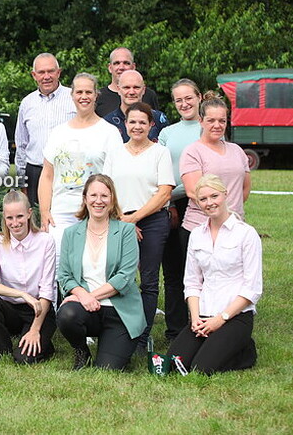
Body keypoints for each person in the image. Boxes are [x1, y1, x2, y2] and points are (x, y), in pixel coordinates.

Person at [167, 174, 262, 374]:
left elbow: (252, 289)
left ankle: (245, 350)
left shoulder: (246, 234)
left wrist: (221, 319)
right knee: (175, 364)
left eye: (214, 196)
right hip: (203, 314)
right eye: (203, 199)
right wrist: (195, 318)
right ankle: (212, 344)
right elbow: (192, 282)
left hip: (234, 316)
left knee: (201, 369)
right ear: (197, 202)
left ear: (225, 195)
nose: (209, 203)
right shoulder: (196, 235)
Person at [104, 102, 174, 349]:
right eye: (132, 122)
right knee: (119, 278)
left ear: (151, 125)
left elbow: (164, 192)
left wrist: (135, 219)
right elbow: (107, 190)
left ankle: (141, 337)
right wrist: (124, 220)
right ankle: (118, 330)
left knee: (149, 281)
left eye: (142, 122)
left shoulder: (160, 152)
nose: (137, 126)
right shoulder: (115, 153)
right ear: (125, 124)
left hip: (153, 221)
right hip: (119, 219)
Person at [56, 174, 145, 370]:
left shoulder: (126, 231)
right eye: (93, 195)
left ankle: (116, 344)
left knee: (107, 368)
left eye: (104, 195)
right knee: (67, 314)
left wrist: (89, 296)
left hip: (119, 312)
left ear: (112, 199)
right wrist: (81, 295)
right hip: (87, 310)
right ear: (85, 198)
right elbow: (64, 276)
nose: (98, 201)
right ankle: (81, 352)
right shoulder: (71, 234)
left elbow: (125, 277)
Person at [38, 73, 123, 261]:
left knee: (92, 264)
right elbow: (47, 175)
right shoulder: (58, 132)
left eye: (88, 92)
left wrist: (115, 211)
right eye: (79, 92)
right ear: (72, 95)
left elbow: (117, 177)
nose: (83, 96)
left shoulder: (108, 132)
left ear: (95, 95)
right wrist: (45, 212)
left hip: (97, 210)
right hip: (61, 213)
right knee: (58, 265)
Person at [0, 190, 57, 364]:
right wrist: (21, 294)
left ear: (29, 214)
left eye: (19, 216)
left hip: (38, 309)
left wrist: (35, 329)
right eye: (9, 218)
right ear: (4, 218)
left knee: (23, 359)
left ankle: (44, 343)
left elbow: (47, 290)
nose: (15, 223)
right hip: (10, 309)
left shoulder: (45, 241)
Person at [157, 79, 203, 340]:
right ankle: (175, 329)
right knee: (173, 270)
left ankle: (203, 320)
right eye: (179, 100)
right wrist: (170, 204)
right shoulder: (168, 133)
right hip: (173, 204)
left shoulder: (209, 127)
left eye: (189, 98)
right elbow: (163, 172)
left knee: (200, 267)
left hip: (201, 204)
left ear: (198, 98)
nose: (184, 104)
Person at [180, 92, 251, 254]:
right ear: (201, 121)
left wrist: (230, 213)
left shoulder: (237, 151)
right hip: (201, 228)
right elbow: (193, 191)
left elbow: (244, 190)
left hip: (235, 226)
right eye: (211, 120)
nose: (217, 125)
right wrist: (219, 216)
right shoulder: (193, 151)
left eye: (222, 121)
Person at [15, 53, 76, 206]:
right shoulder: (27, 103)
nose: (46, 76)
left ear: (59, 72)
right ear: (34, 75)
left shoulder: (74, 98)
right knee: (36, 221)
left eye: (51, 71)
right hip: (35, 172)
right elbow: (21, 144)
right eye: (41, 72)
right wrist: (23, 181)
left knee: (67, 218)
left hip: (68, 171)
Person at [103, 70, 169, 142]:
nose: (131, 92)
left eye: (136, 87)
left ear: (143, 90)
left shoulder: (158, 119)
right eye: (126, 87)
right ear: (118, 90)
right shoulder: (107, 123)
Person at [96, 47, 159, 117]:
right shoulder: (98, 97)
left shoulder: (149, 95)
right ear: (110, 68)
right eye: (117, 63)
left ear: (133, 67)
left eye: (126, 63)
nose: (121, 67)